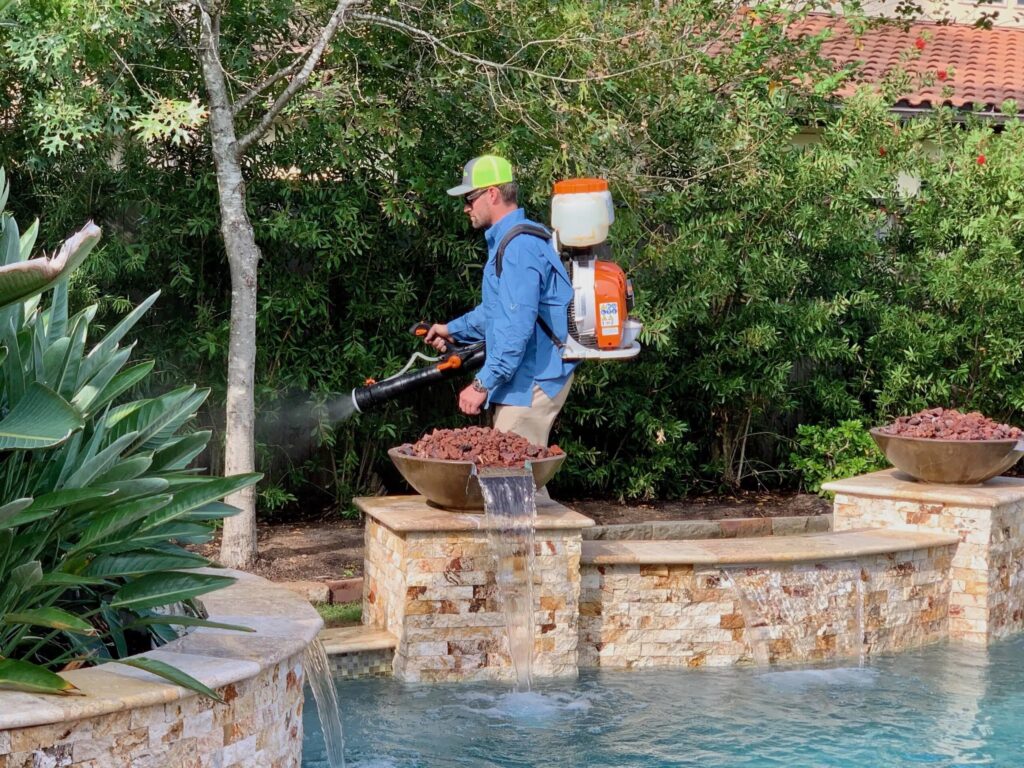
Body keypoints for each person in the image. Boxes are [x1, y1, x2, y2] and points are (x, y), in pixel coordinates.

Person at [423, 154, 578, 447]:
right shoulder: (514, 240)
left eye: (469, 198)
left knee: (507, 471)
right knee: (524, 478)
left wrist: (482, 383)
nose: (466, 207)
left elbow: (516, 328)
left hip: (536, 378)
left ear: (492, 194)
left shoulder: (519, 247)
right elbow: (498, 311)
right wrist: (451, 329)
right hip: (528, 376)